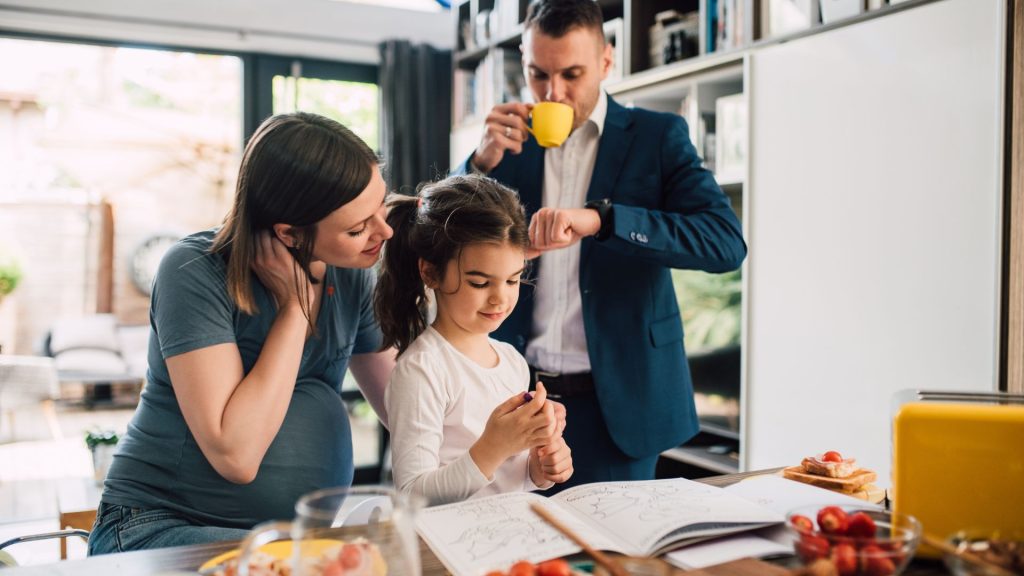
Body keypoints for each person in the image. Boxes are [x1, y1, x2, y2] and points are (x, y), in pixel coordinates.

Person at [453, 0, 747, 491]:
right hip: (514, 396)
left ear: (606, 62)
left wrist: (604, 220)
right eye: (538, 75)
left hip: (620, 405)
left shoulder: (657, 137)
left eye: (572, 74)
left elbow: (724, 242)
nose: (554, 93)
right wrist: (477, 166)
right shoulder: (506, 143)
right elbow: (446, 240)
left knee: (611, 560)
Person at [88, 112, 396, 554]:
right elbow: (236, 455)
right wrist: (294, 311)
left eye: (379, 207)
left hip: (287, 539)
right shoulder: (193, 272)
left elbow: (408, 409)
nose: (382, 232)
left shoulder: (351, 273)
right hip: (158, 526)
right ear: (289, 233)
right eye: (357, 227)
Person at [375, 174, 573, 506]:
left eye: (512, 280)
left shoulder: (511, 360)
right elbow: (412, 493)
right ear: (430, 272)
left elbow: (510, 477)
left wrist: (538, 467)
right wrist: (492, 447)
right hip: (448, 547)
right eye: (480, 283)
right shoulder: (422, 370)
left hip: (508, 537)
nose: (500, 298)